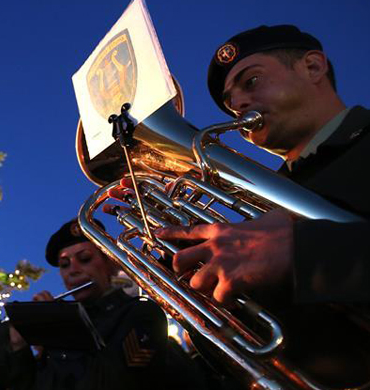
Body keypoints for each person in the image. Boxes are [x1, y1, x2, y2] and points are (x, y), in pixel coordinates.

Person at [152, 25, 370, 386]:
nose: (236, 105)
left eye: (250, 82)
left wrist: (304, 254)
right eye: (229, 101)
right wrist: (196, 295)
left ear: (313, 67)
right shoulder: (260, 212)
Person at [13, 218, 170, 390]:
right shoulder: (65, 329)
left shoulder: (140, 312)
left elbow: (115, 381)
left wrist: (57, 333)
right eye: (64, 265)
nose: (73, 270)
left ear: (109, 263)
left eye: (85, 259)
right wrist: (19, 348)